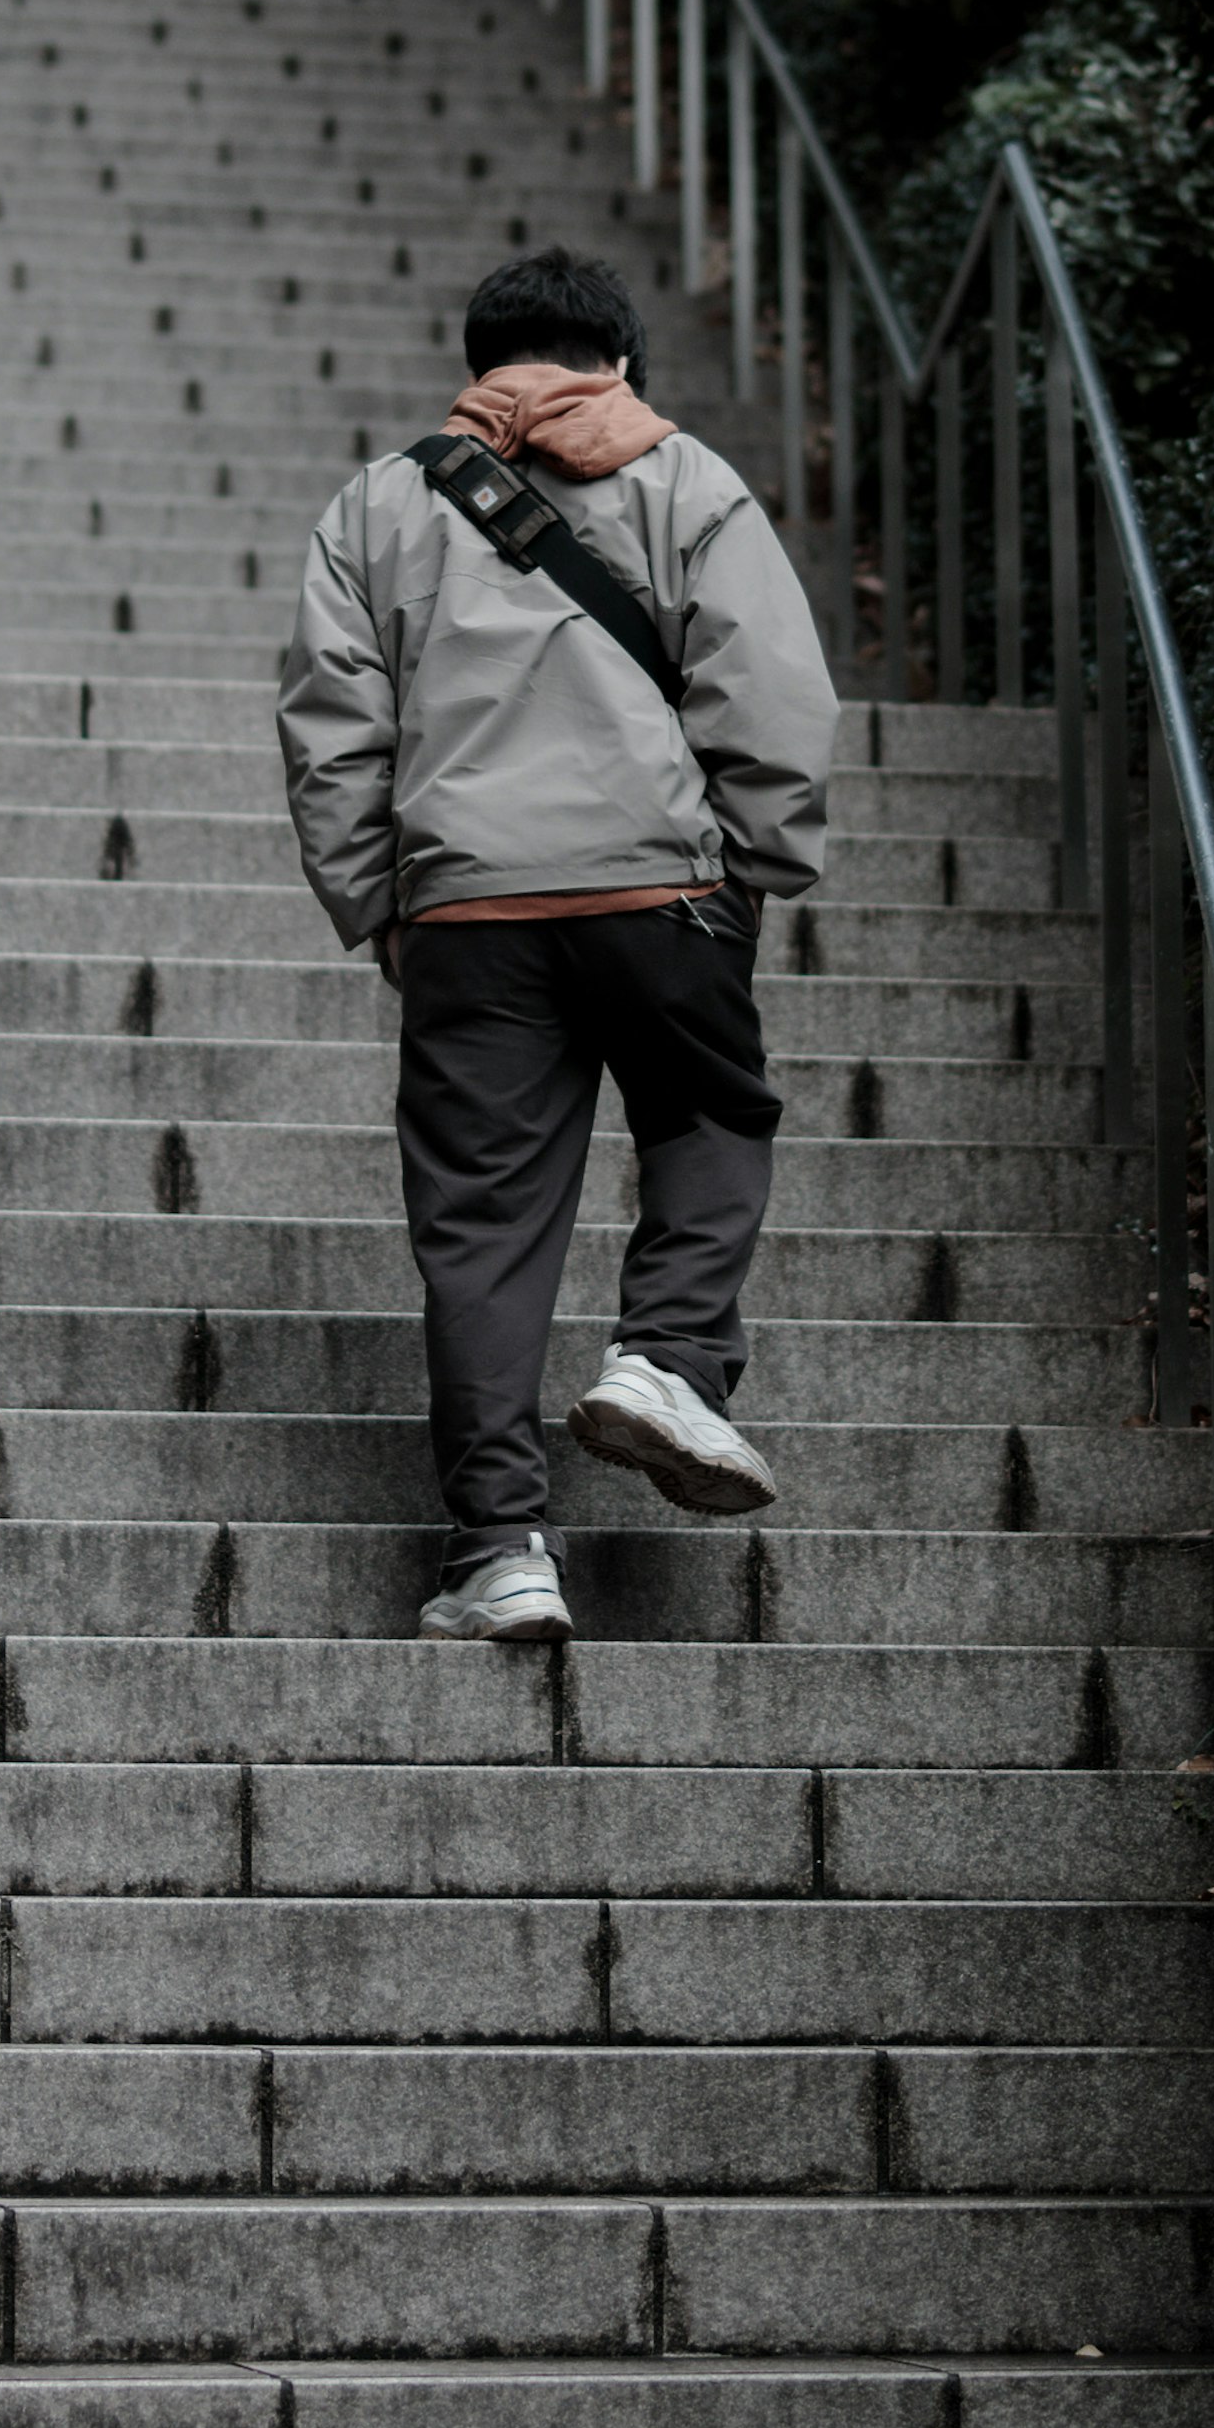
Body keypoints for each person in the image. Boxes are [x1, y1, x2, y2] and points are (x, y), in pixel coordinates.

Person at [276, 246, 841, 1641]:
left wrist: (381, 907)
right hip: (662, 892)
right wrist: (756, 867)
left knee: (480, 1225)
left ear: (481, 366)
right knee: (711, 1111)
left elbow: (329, 728)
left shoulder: (380, 505)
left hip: (468, 911)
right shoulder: (688, 479)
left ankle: (501, 1548)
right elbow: (769, 687)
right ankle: (668, 1357)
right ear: (620, 362)